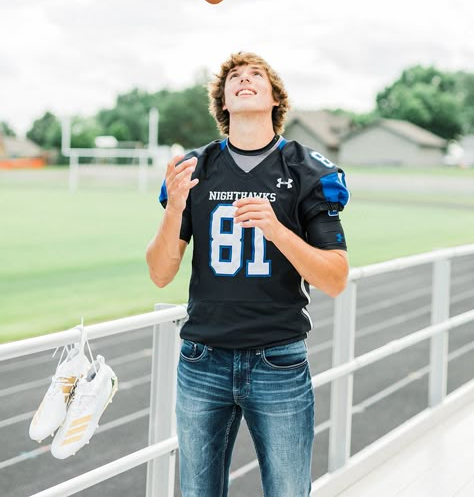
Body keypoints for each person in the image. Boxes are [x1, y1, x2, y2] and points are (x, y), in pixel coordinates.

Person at [146, 51, 350, 497]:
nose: (244, 80)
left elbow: (335, 277)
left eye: (256, 74)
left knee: (288, 491)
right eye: (234, 77)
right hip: (203, 358)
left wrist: (278, 231)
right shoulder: (194, 169)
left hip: (278, 358)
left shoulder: (304, 168)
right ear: (223, 100)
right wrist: (175, 210)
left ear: (276, 98)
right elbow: (160, 274)